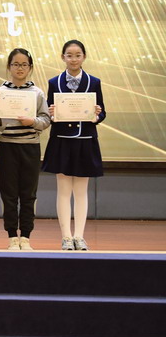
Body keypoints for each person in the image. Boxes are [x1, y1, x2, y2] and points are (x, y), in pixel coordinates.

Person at [42, 40, 105, 251]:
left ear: (84, 57)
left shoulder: (94, 82)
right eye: (69, 55)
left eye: (78, 55)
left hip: (85, 141)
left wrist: (96, 116)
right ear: (63, 57)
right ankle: (66, 237)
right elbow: (50, 112)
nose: (74, 59)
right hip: (61, 141)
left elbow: (102, 111)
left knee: (81, 191)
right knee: (63, 190)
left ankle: (79, 236)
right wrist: (52, 114)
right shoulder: (54, 82)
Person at [0, 49, 51, 250]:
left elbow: (46, 120)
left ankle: (25, 236)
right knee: (8, 194)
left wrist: (32, 121)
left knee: (28, 194)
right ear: (9, 67)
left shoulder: (37, 93)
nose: (20, 68)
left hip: (30, 147)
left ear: (30, 67)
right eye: (16, 64)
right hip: (7, 146)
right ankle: (11, 237)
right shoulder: (0, 92)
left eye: (24, 64)